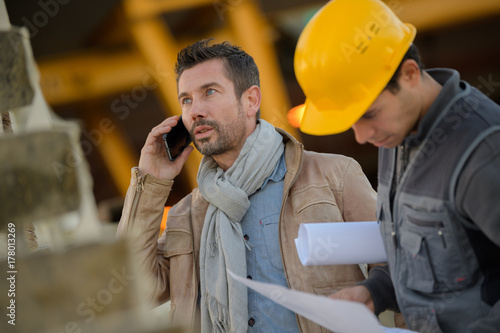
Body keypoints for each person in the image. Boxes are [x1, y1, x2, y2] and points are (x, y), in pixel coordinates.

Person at [117, 39, 378, 332]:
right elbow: (130, 291)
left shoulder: (333, 175)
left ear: (251, 100)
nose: (194, 111)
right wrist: (150, 180)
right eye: (186, 100)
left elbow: (401, 266)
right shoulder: (185, 216)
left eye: (210, 92)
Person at [293, 0, 500, 332]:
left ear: (410, 74)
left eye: (369, 115)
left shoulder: (483, 151)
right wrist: (374, 292)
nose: (361, 136)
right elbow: (422, 252)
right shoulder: (397, 134)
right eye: (351, 122)